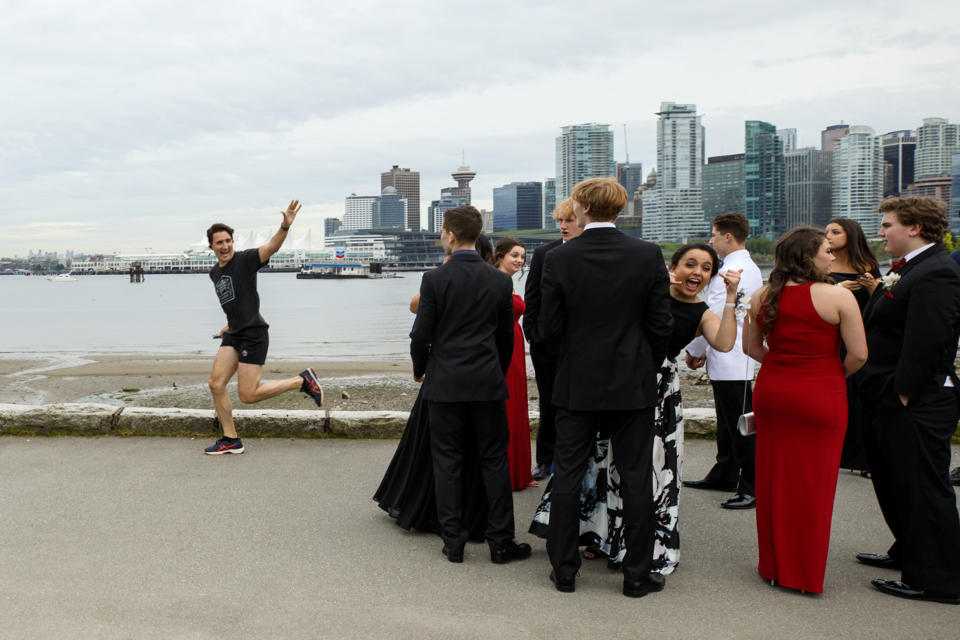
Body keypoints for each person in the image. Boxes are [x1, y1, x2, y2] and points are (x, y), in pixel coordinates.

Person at [531, 243, 741, 577]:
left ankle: (629, 546)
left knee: (646, 472)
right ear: (673, 267)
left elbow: (726, 343)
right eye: (690, 264)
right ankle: (598, 534)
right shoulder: (648, 294)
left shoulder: (702, 312)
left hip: (658, 391)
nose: (697, 273)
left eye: (706, 268)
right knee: (600, 463)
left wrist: (730, 298)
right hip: (620, 381)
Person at [539, 177, 672, 597]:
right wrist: (641, 364)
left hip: (577, 380)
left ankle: (564, 569)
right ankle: (636, 575)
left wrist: (572, 356)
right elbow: (660, 326)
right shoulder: (648, 255)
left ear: (581, 207)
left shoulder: (560, 258)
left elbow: (548, 329)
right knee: (636, 477)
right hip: (631, 381)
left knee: (568, 474)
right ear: (620, 207)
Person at [743, 226, 867, 594]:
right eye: (826, 250)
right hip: (821, 394)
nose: (831, 256)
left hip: (774, 393)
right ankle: (803, 573)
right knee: (814, 484)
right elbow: (860, 355)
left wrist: (783, 365)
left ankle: (773, 566)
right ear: (807, 257)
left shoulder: (761, 295)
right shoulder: (838, 297)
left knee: (772, 479)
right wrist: (830, 373)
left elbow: (752, 349)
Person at [409, 205, 531, 565]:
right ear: (477, 235)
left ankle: (454, 541)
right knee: (494, 461)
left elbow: (421, 335)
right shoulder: (499, 281)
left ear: (449, 235)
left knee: (447, 460)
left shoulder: (434, 280)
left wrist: (421, 368)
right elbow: (504, 338)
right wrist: (494, 367)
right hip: (487, 383)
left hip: (445, 383)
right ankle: (500, 541)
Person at [854, 197, 960, 605]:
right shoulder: (912, 268)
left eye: (887, 225)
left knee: (922, 488)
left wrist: (905, 392)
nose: (881, 232)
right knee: (896, 481)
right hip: (889, 395)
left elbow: (929, 339)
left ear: (914, 227)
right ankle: (910, 551)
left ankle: (939, 579)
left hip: (915, 400)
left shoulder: (937, 272)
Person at [204, 200, 324, 455]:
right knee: (216, 384)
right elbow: (236, 301)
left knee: (248, 395)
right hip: (235, 333)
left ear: (232, 242)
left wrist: (284, 226)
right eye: (219, 242)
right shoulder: (215, 273)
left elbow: (271, 247)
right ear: (212, 246)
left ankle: (301, 381)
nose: (225, 246)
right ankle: (231, 439)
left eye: (228, 241)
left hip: (253, 335)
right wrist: (228, 325)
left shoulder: (246, 259)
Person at [683, 213, 764, 510]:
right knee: (727, 422)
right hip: (733, 354)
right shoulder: (747, 266)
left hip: (731, 356)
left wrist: (694, 348)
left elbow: (713, 314)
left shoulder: (731, 269)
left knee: (739, 424)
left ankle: (751, 486)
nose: (711, 240)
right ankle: (725, 472)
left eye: (714, 234)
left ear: (728, 236)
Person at [523, 200, 584, 481]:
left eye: (569, 220)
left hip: (583, 345)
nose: (563, 226)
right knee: (549, 403)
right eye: (560, 220)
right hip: (547, 346)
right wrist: (534, 336)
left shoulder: (589, 253)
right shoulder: (545, 253)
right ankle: (545, 459)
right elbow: (532, 297)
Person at [825, 218, 880, 475]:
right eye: (827, 232)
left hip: (860, 336)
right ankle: (836, 453)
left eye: (836, 232)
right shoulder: (824, 264)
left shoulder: (868, 265)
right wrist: (838, 289)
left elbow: (881, 306)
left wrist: (874, 289)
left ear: (851, 235)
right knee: (839, 393)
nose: (829, 236)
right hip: (831, 336)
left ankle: (865, 458)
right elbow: (814, 296)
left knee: (863, 396)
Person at [493, 237, 536, 490]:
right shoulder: (495, 280)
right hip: (504, 346)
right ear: (500, 256)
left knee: (518, 404)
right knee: (507, 405)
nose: (519, 260)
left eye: (522, 256)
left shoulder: (507, 281)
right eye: (514, 255)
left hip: (517, 345)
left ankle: (519, 470)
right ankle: (507, 472)